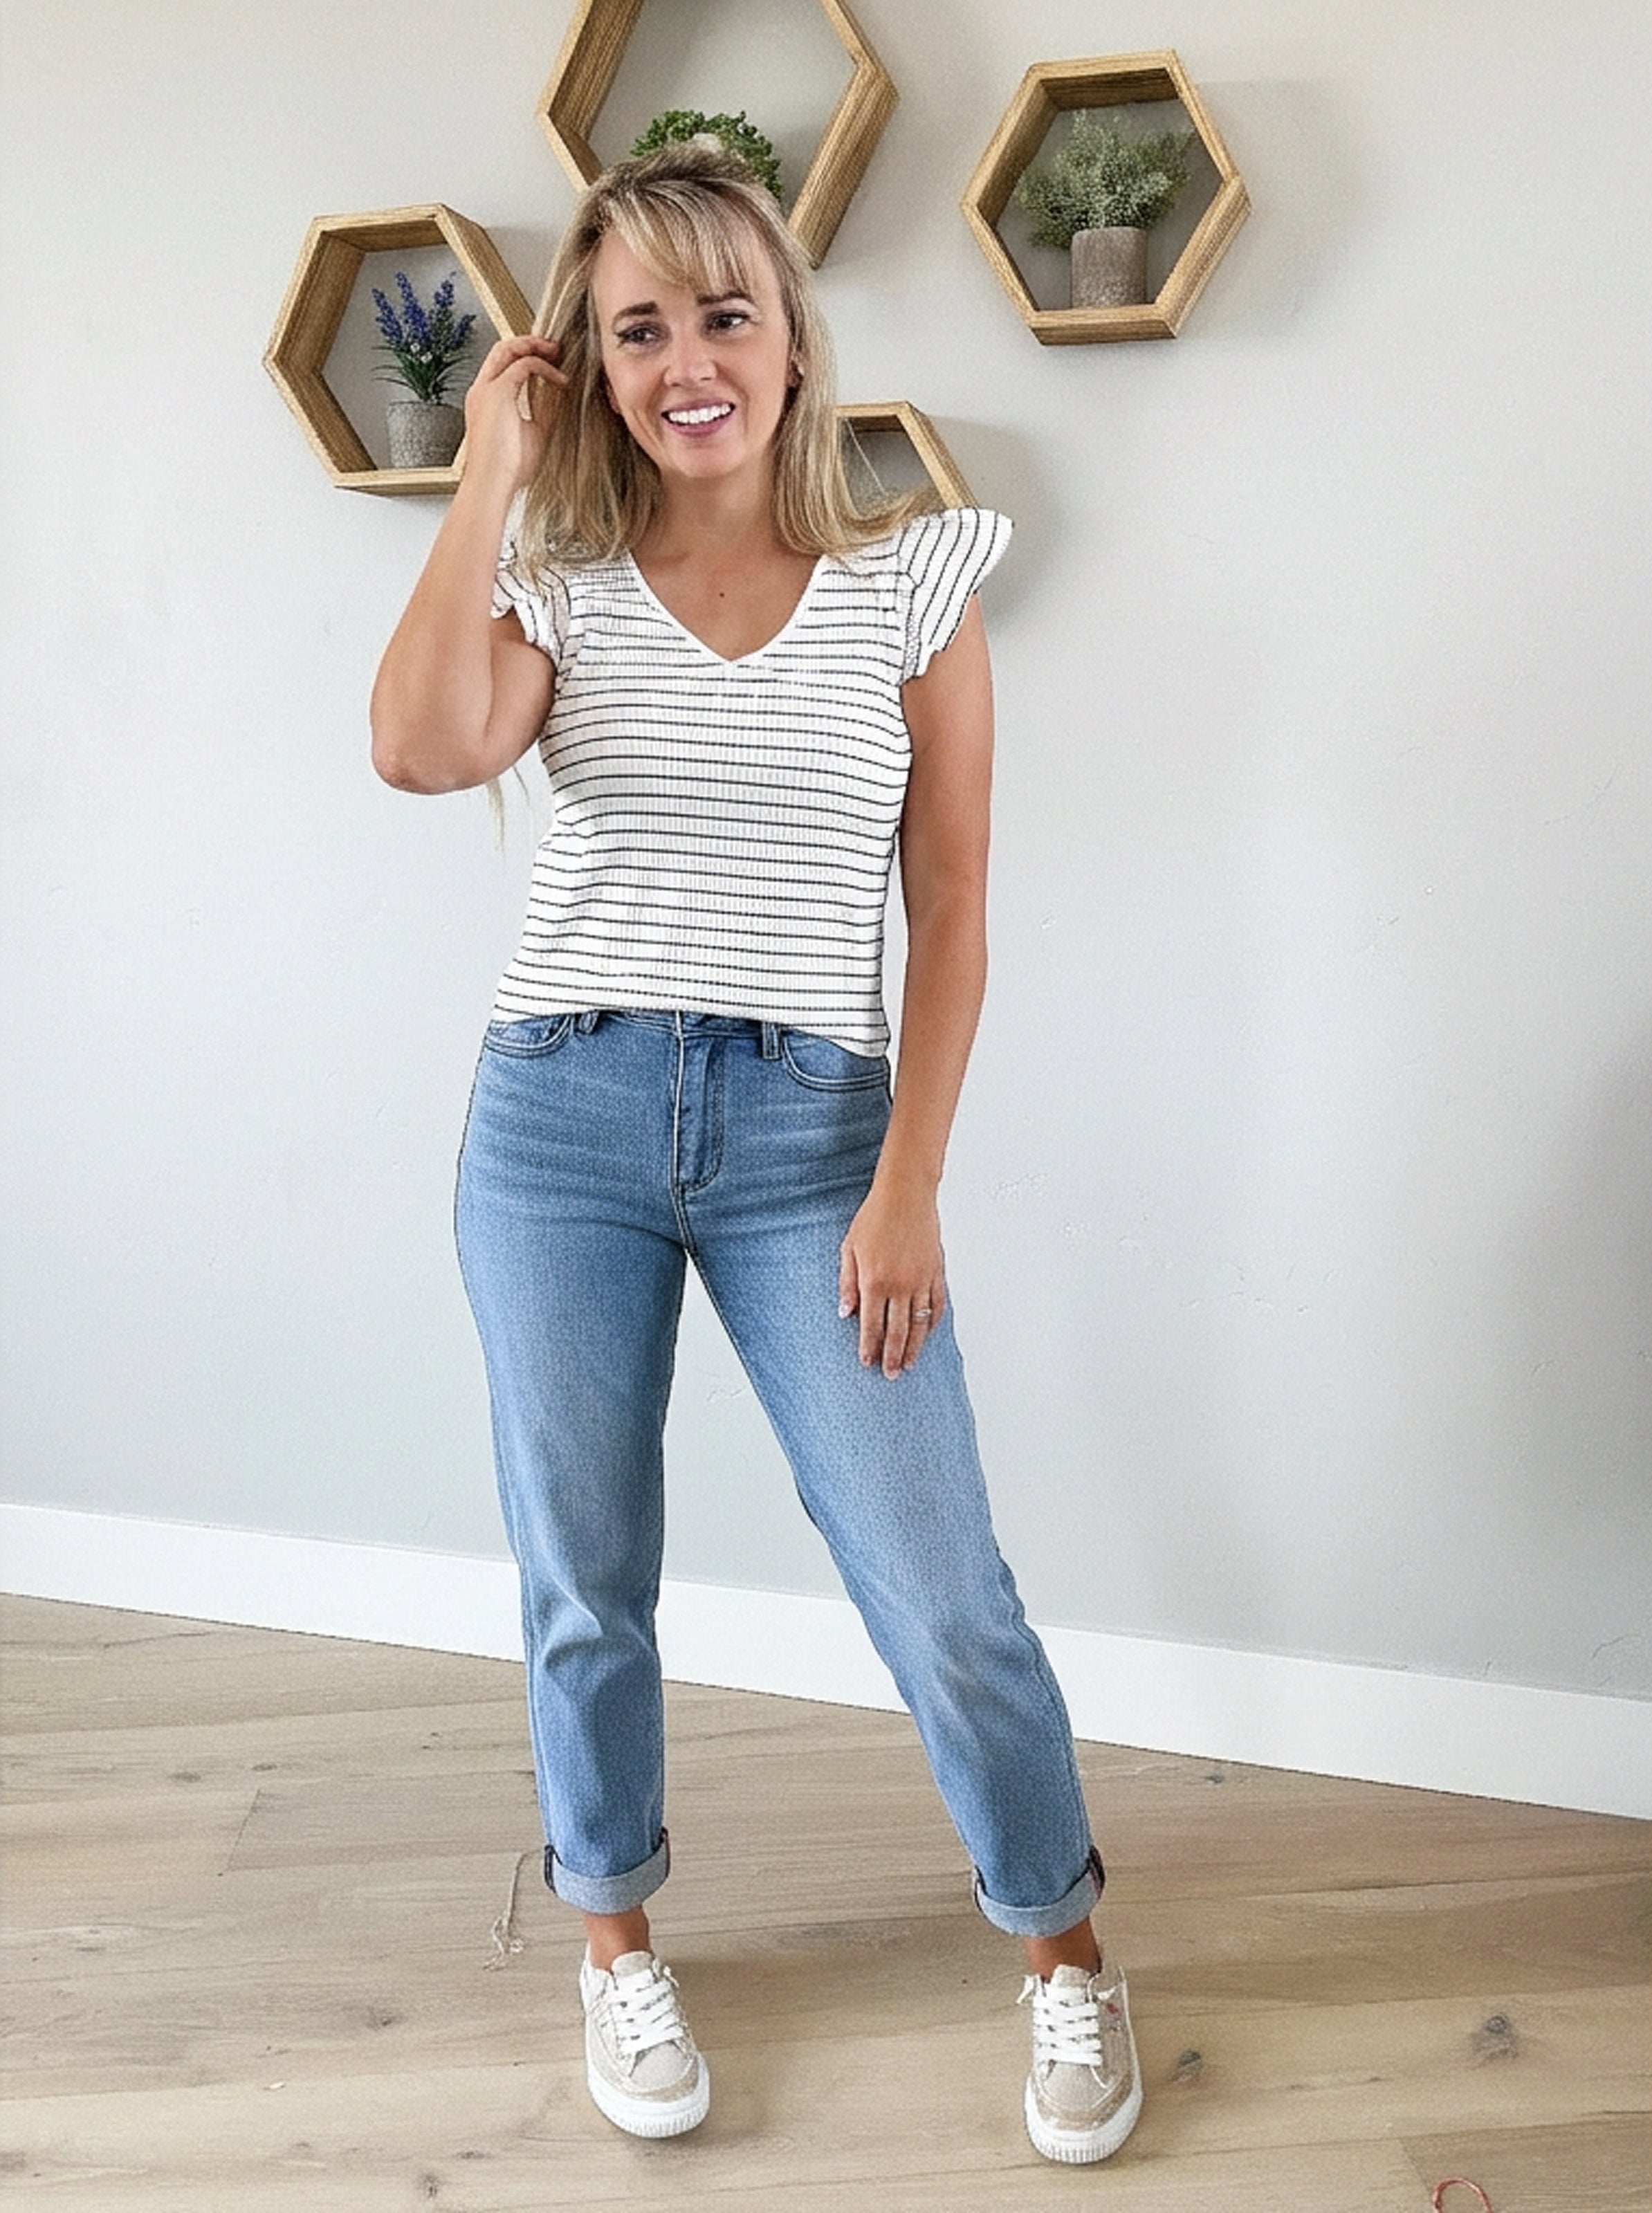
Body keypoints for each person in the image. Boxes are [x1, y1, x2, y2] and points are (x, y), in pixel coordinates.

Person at [369, 140, 1141, 2165]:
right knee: (583, 1577)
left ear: (793, 338)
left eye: (726, 313)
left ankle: (1064, 1951)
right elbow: (421, 749)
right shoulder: (552, 582)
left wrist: (911, 1183)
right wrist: (486, 471)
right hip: (559, 1119)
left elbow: (953, 906)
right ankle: (615, 1942)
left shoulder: (912, 582)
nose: (688, 361)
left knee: (937, 1583)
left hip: (817, 1135)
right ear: (588, 360)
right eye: (638, 329)